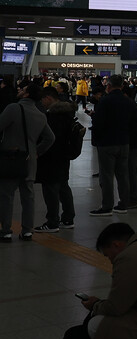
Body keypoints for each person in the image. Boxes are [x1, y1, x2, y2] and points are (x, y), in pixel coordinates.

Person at [0, 82, 55, 242]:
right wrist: (37, 151)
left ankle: (5, 231)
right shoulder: (40, 115)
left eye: (22, 89)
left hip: (11, 158)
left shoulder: (13, 108)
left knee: (7, 195)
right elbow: (50, 138)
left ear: (26, 94)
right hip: (30, 161)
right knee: (28, 196)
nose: (19, 90)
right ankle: (27, 231)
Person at [89, 75, 136, 217]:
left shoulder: (105, 101)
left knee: (107, 175)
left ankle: (107, 206)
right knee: (123, 174)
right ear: (122, 86)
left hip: (106, 143)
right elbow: (135, 123)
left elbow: (98, 123)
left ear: (108, 86)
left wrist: (96, 139)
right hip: (124, 142)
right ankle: (123, 204)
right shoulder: (129, 102)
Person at [35, 86, 78, 232]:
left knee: (50, 189)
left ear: (48, 98)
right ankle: (68, 218)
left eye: (43, 100)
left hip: (51, 157)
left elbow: (49, 138)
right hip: (63, 156)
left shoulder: (53, 117)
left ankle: (52, 222)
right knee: (63, 187)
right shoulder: (67, 113)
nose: (42, 103)